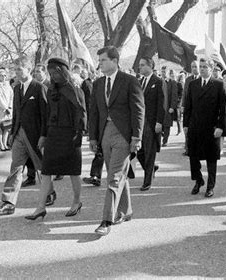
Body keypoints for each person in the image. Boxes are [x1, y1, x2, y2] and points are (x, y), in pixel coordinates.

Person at [89, 46, 144, 236]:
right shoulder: (97, 84)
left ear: (114, 61)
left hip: (123, 135)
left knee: (113, 177)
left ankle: (106, 220)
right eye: (100, 61)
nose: (100, 64)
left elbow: (138, 110)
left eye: (103, 60)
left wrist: (137, 137)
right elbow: (94, 112)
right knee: (118, 174)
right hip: (105, 134)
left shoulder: (129, 81)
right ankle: (126, 210)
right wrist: (93, 137)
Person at [25, 57, 86, 221]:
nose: (53, 75)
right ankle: (40, 207)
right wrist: (43, 135)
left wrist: (78, 135)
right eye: (50, 72)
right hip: (53, 135)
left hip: (70, 136)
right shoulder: (50, 90)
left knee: (74, 172)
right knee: (46, 171)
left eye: (55, 72)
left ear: (63, 71)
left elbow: (82, 114)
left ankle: (76, 202)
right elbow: (46, 115)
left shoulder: (75, 90)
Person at [0, 56, 49, 215]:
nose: (16, 72)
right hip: (19, 134)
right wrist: (12, 132)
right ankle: (8, 201)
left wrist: (43, 135)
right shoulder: (16, 88)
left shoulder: (39, 88)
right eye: (15, 69)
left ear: (28, 69)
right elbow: (16, 113)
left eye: (19, 69)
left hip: (35, 135)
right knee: (15, 168)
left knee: (41, 166)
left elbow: (45, 115)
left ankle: (49, 192)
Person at [183, 57, 226, 198]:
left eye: (204, 67)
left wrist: (220, 127)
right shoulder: (193, 84)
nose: (202, 69)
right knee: (193, 157)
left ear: (211, 68)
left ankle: (210, 186)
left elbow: (224, 108)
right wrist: (185, 125)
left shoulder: (219, 85)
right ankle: (198, 180)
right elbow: (188, 106)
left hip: (212, 128)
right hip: (195, 126)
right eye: (200, 66)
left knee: (211, 159)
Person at [136, 57, 164, 191]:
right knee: (139, 152)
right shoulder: (140, 81)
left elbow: (161, 103)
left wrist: (159, 122)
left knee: (149, 152)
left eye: (142, 65)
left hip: (151, 122)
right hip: (140, 122)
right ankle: (151, 167)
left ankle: (147, 181)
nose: (140, 67)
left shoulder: (158, 82)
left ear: (150, 66)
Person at [0, 69, 13, 151]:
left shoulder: (8, 86)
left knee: (7, 127)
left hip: (8, 109)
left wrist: (10, 107)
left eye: (5, 75)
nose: (3, 77)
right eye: (1, 75)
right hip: (1, 109)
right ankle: (0, 144)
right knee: (0, 127)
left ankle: (5, 143)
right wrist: (5, 107)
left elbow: (12, 97)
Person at [182, 60, 199, 156]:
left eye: (195, 67)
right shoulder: (188, 79)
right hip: (188, 108)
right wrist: (183, 105)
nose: (194, 69)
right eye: (192, 67)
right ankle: (187, 148)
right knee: (186, 128)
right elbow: (185, 93)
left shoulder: (202, 79)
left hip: (197, 109)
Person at [160, 66, 178, 147]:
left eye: (164, 72)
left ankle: (165, 141)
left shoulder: (172, 82)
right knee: (160, 124)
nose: (163, 73)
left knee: (167, 125)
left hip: (168, 107)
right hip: (160, 107)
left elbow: (174, 96)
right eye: (162, 71)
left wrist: (172, 107)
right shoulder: (159, 82)